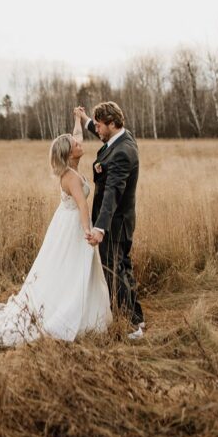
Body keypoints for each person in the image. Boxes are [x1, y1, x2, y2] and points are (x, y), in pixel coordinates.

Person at [0, 110, 111, 346]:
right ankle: (67, 311)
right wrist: (87, 232)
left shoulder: (71, 165)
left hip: (64, 221)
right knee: (71, 267)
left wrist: (78, 119)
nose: (79, 142)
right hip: (72, 225)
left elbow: (75, 134)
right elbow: (82, 206)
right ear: (70, 153)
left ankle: (83, 310)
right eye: (75, 143)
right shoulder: (70, 177)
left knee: (69, 267)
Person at [74, 101, 145, 339]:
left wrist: (100, 228)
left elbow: (112, 193)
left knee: (113, 272)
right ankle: (138, 318)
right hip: (119, 222)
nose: (97, 130)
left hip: (115, 223)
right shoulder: (119, 138)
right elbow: (96, 127)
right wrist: (83, 118)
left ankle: (131, 327)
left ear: (112, 124)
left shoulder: (123, 153)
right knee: (123, 268)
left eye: (100, 125)